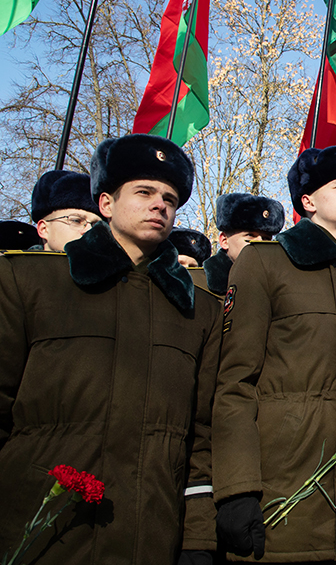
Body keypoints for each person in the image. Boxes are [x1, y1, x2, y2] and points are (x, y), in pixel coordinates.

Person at [0, 134, 222, 563]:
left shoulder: (199, 310)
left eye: (170, 198)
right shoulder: (27, 282)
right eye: (143, 192)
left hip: (148, 533)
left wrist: (198, 537)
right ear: (105, 203)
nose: (160, 204)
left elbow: (203, 435)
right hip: (39, 531)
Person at [212, 146, 336, 562]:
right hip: (284, 502)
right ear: (307, 201)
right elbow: (235, 384)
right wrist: (237, 489)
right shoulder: (264, 263)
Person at [194, 192, 285, 297]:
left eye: (266, 239)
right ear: (224, 241)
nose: (260, 243)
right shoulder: (197, 286)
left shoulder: (279, 286)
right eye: (250, 236)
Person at [30, 170, 102, 251]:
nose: (89, 230)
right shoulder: (16, 263)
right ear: (44, 229)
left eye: (95, 225)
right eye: (76, 221)